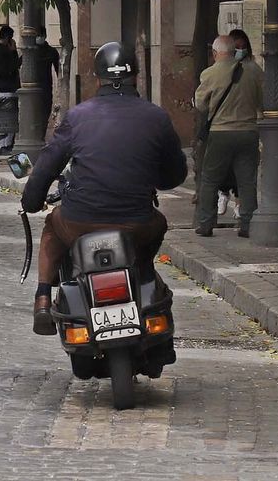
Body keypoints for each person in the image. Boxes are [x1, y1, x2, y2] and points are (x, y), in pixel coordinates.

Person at [23, 42, 188, 335]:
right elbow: (174, 175)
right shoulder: (156, 117)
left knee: (52, 226)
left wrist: (32, 201)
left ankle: (43, 298)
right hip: (136, 224)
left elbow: (47, 165)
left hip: (80, 222)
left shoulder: (77, 117)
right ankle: (143, 274)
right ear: (136, 76)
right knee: (159, 223)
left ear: (97, 78)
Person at [193, 34, 265, 237]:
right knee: (247, 181)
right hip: (248, 132)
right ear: (235, 51)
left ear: (215, 52)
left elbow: (201, 105)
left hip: (220, 133)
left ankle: (206, 223)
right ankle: (247, 224)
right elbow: (263, 101)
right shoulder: (254, 71)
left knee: (210, 179)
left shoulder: (210, 73)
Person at [0, 26, 22, 154]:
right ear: (8, 38)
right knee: (8, 118)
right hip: (7, 86)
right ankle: (4, 144)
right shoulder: (3, 51)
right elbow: (11, 68)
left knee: (2, 117)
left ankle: (1, 144)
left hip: (1, 87)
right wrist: (14, 52)